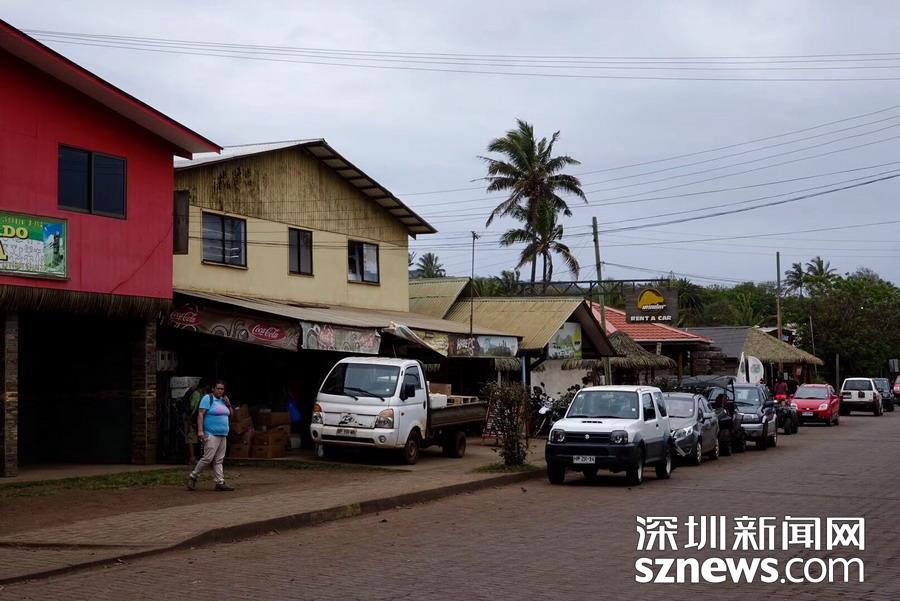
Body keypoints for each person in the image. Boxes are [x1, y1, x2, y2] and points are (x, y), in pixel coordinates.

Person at [186, 380, 235, 491]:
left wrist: (228, 405)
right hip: (211, 433)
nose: (220, 391)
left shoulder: (224, 400)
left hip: (223, 433)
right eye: (218, 388)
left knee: (219, 459)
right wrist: (200, 431)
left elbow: (231, 415)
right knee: (208, 458)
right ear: (213, 389)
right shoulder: (207, 398)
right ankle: (193, 476)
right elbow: (201, 414)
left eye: (222, 389)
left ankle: (220, 482)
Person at [182, 379, 207, 464]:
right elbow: (192, 406)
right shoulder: (197, 394)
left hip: (195, 418)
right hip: (192, 418)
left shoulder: (201, 394)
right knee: (191, 438)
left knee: (193, 438)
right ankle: (192, 457)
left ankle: (194, 457)